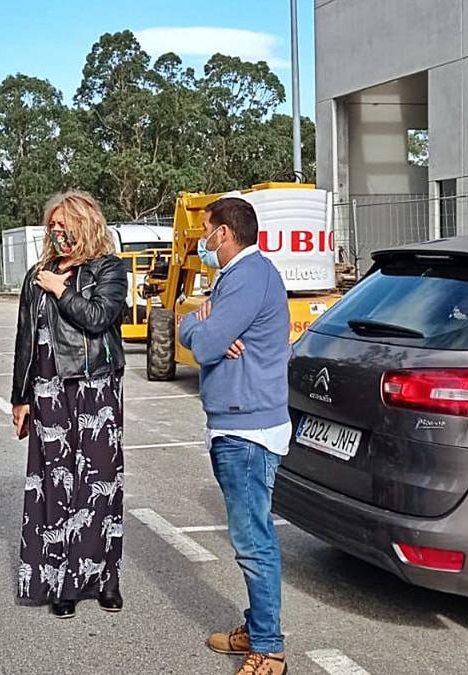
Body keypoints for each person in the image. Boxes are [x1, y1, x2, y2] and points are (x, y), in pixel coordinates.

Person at [179, 197, 290, 675]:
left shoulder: (247, 277)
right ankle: (256, 626)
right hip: (235, 422)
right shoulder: (235, 278)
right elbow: (195, 329)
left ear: (223, 233)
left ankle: (269, 648)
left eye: (206, 231)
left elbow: (202, 344)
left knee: (253, 541)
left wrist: (206, 328)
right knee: (250, 536)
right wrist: (201, 323)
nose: (203, 240)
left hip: (248, 428)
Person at [11, 190, 128, 619]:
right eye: (53, 227)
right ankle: (61, 580)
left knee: (99, 483)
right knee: (55, 484)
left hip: (95, 388)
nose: (58, 234)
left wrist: (62, 291)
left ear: (87, 225)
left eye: (66, 226)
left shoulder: (108, 270)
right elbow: (26, 339)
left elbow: (98, 319)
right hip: (47, 390)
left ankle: (104, 577)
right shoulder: (35, 275)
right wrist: (19, 397)